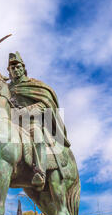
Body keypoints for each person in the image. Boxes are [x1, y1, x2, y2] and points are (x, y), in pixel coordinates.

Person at [7, 52, 70, 190]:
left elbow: (45, 105)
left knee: (36, 135)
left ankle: (40, 172)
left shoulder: (34, 85)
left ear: (23, 68)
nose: (15, 70)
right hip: (11, 124)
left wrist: (23, 112)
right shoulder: (6, 89)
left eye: (18, 67)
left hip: (31, 122)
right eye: (12, 68)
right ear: (9, 71)